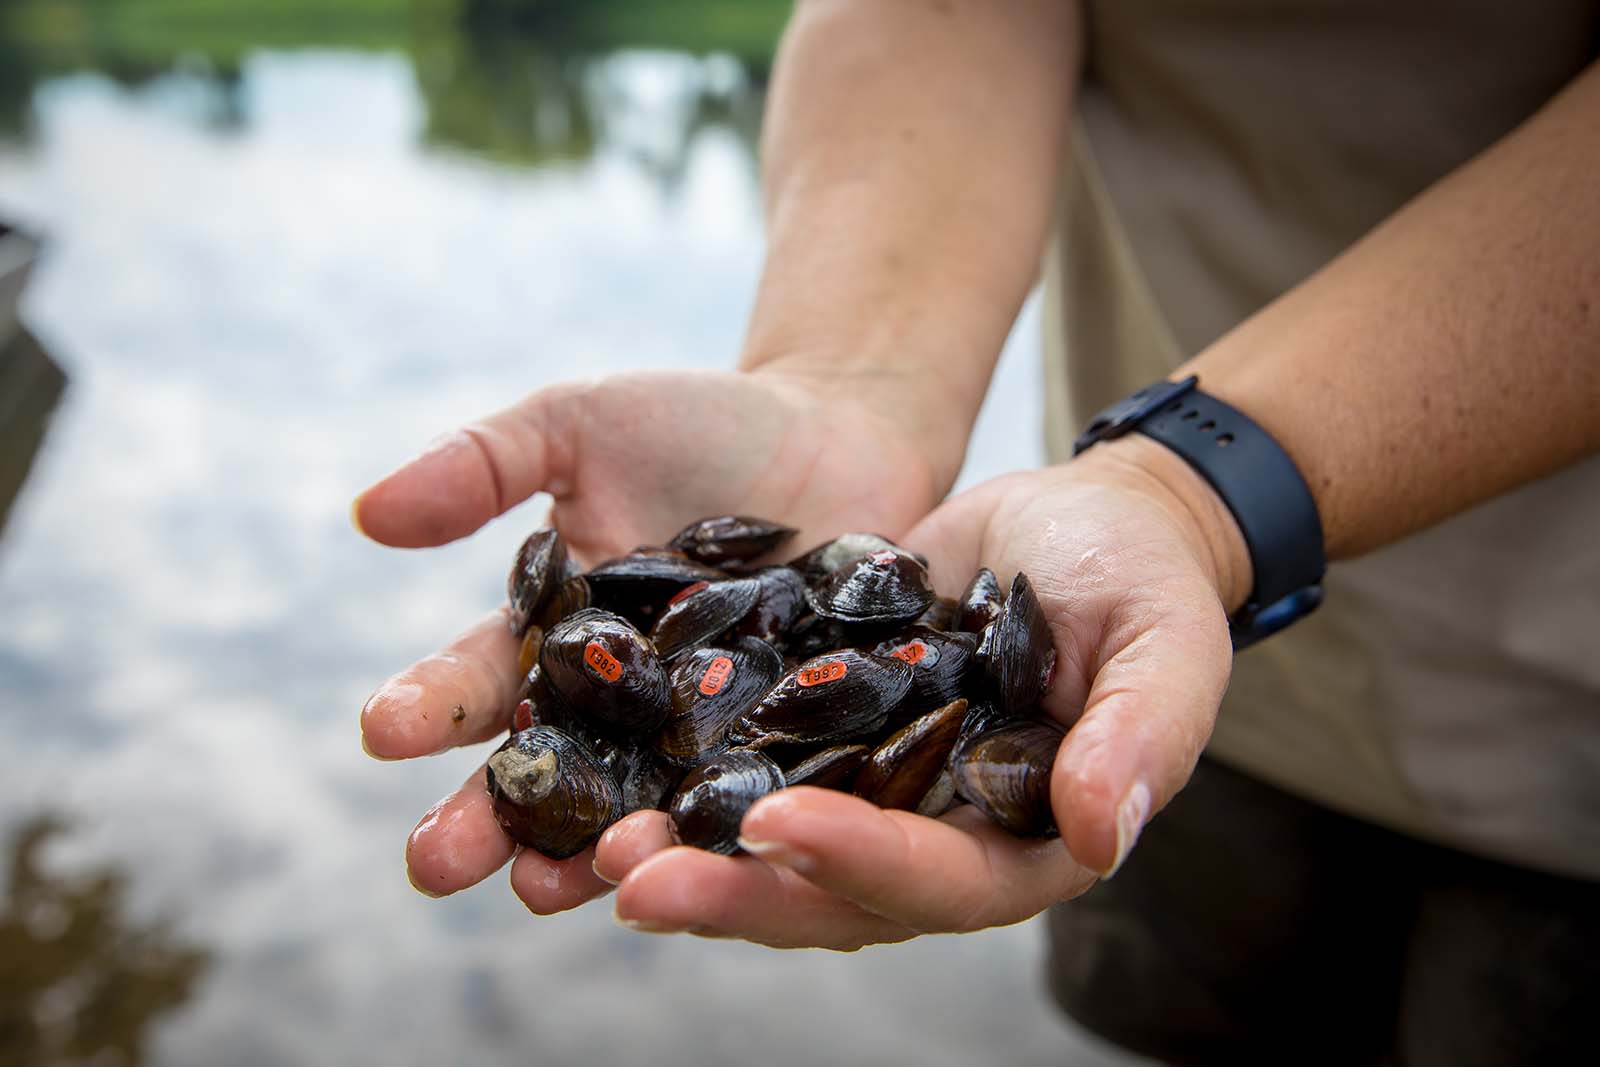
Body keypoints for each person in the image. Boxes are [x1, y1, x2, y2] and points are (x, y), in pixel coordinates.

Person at [354, 2, 1600, 1062]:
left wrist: (1194, 490)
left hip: (1562, 740)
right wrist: (848, 382)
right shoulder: (1012, 658)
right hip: (1125, 684)